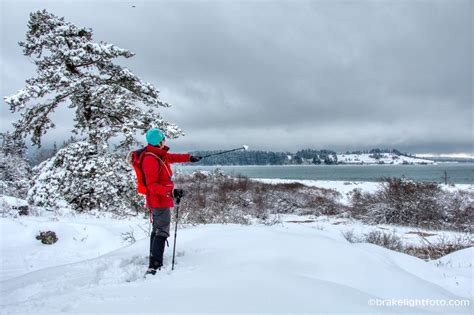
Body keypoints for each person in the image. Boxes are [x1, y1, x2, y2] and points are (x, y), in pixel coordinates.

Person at [141, 128, 202, 275]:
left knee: (158, 229)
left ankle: (153, 258)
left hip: (160, 198)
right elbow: (152, 185)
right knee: (162, 230)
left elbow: (173, 157)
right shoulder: (151, 159)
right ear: (158, 142)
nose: (165, 141)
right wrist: (171, 192)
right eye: (163, 139)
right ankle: (154, 265)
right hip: (158, 200)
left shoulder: (158, 155)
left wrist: (189, 158)